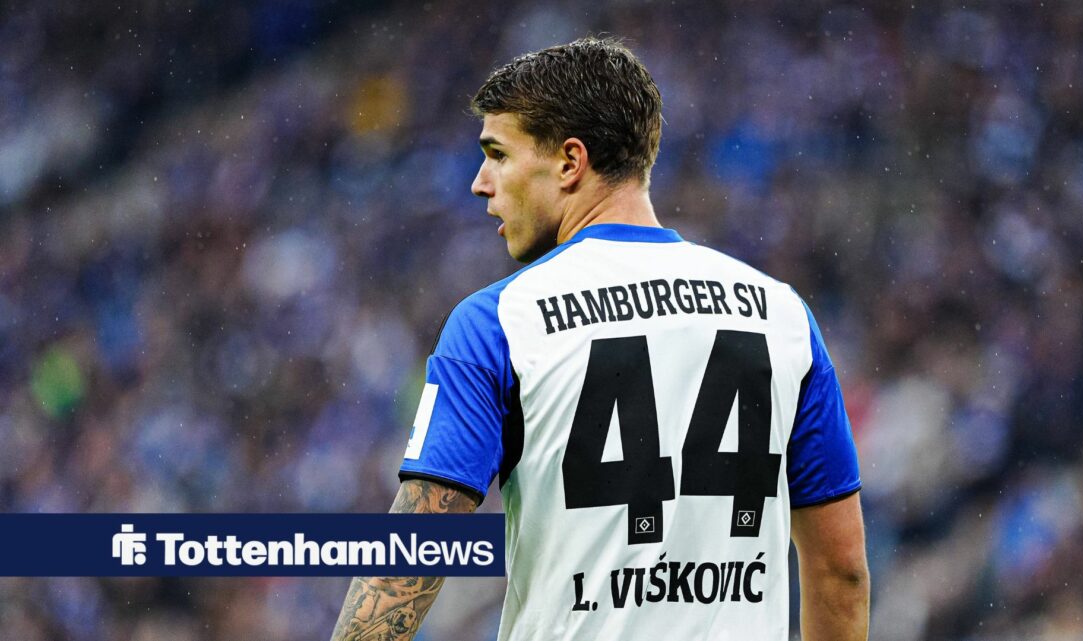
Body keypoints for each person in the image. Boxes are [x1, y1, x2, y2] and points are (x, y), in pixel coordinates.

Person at [330, 37, 869, 641]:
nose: (481, 183)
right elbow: (840, 572)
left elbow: (410, 561)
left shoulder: (498, 323)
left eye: (498, 155)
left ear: (569, 161)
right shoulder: (782, 315)